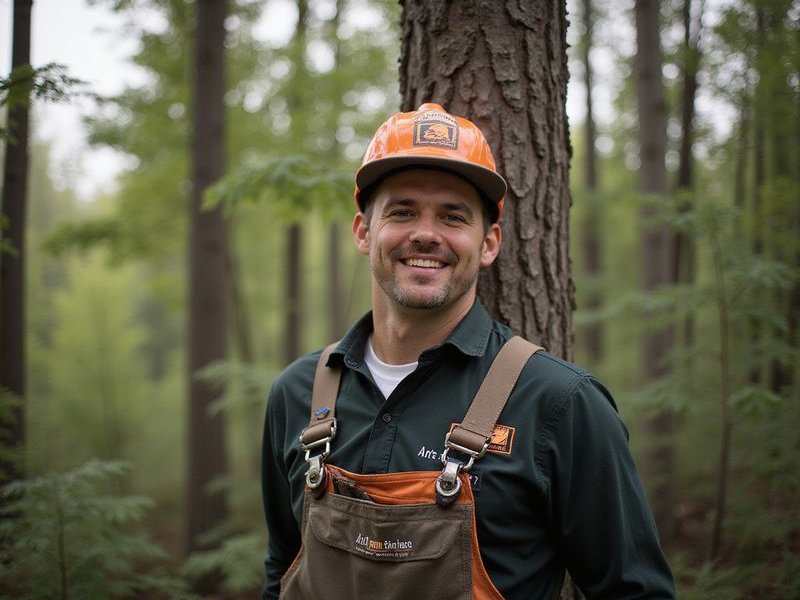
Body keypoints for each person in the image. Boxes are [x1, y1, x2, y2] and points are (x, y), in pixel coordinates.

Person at [261, 103, 675, 599]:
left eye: (453, 216)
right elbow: (281, 569)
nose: (426, 234)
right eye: (403, 211)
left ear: (489, 244)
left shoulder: (560, 402)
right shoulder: (298, 393)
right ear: (364, 232)